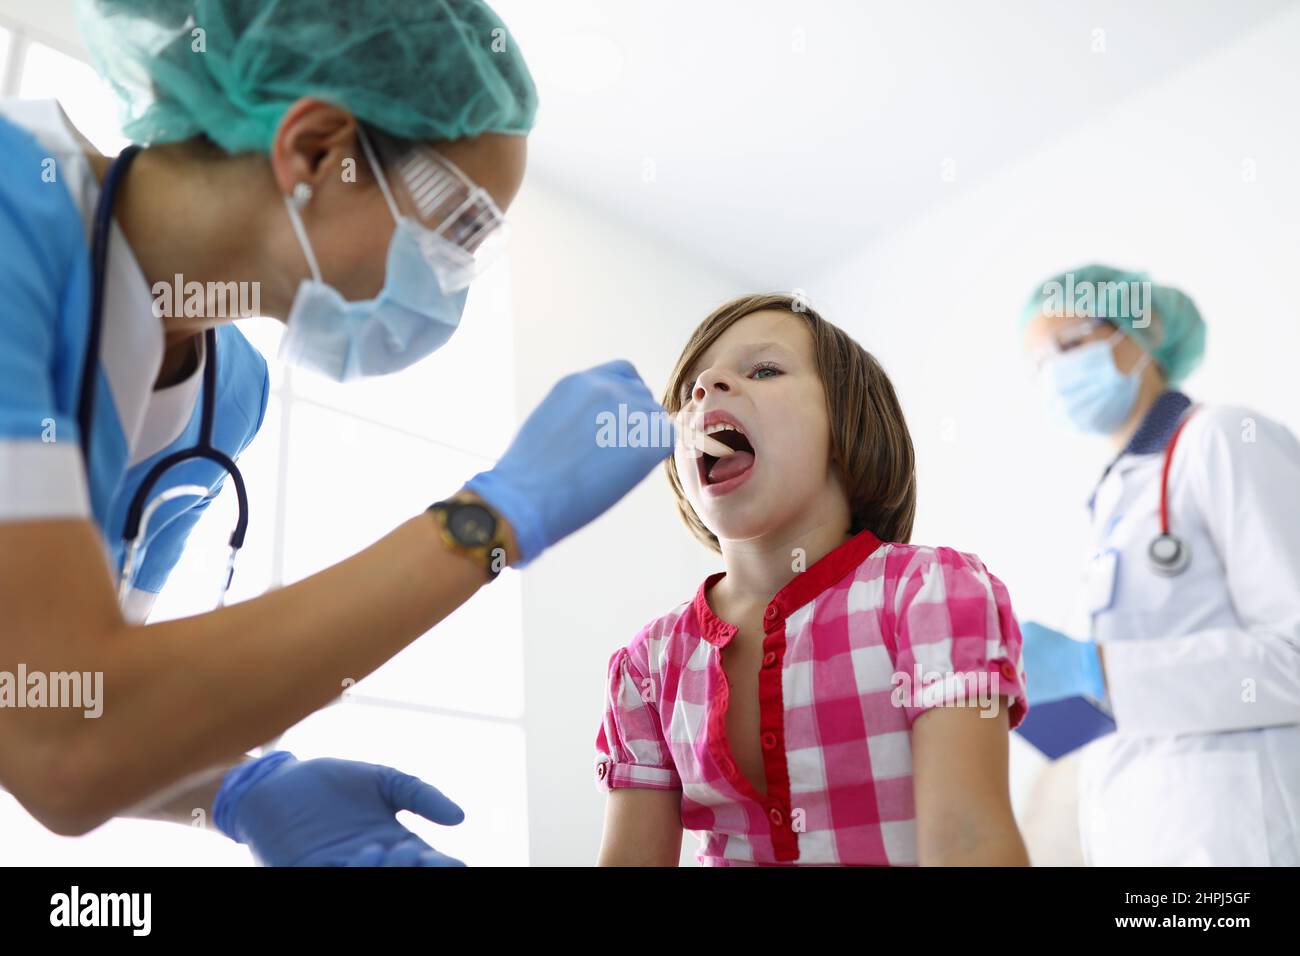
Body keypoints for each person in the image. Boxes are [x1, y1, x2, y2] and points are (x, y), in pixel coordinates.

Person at [0, 0, 671, 866]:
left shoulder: (223, 397)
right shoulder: (14, 209)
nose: (453, 288)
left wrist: (231, 791)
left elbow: (55, 699)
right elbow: (62, 745)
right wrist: (488, 521)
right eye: (460, 230)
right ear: (316, 151)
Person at [593, 293, 1030, 866]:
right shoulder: (648, 663)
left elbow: (972, 843)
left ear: (849, 428)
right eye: (690, 392)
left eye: (764, 369)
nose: (706, 388)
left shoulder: (930, 593)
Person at [1019, 264, 1300, 866]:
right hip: (1141, 839)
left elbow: (1294, 658)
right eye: (1040, 364)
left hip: (1239, 840)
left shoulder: (1224, 439)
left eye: (1069, 345)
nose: (1056, 375)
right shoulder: (1114, 499)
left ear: (1138, 330)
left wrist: (1093, 670)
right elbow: (1135, 696)